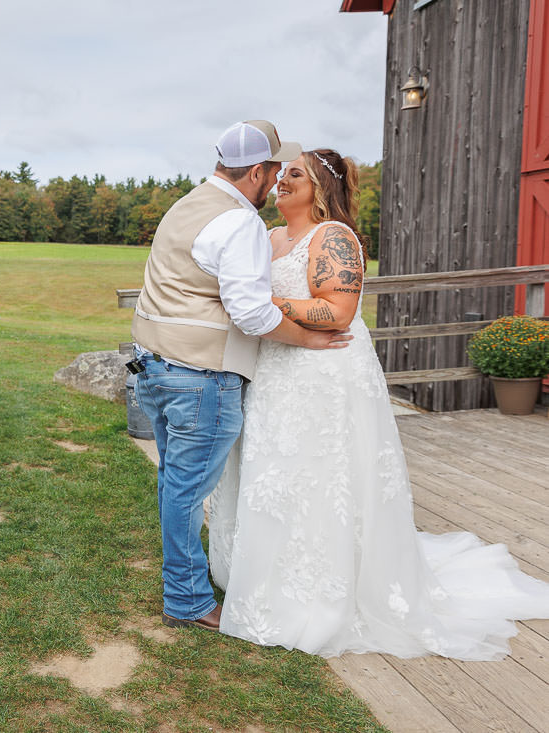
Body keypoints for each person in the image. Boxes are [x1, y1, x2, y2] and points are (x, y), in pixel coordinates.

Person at [207, 149, 549, 659]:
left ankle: (324, 587)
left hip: (322, 371)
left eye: (294, 174)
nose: (280, 181)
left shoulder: (335, 237)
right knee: (275, 469)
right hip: (275, 370)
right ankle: (262, 571)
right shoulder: (271, 238)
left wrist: (258, 304)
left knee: (321, 472)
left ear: (321, 187)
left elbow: (337, 311)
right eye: (280, 174)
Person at [130, 120, 352, 633]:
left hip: (155, 368)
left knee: (174, 484)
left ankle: (192, 581)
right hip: (199, 377)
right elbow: (250, 313)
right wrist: (307, 339)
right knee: (186, 492)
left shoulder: (185, 205)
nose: (275, 182)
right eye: (273, 171)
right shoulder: (239, 222)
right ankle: (186, 599)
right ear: (256, 169)